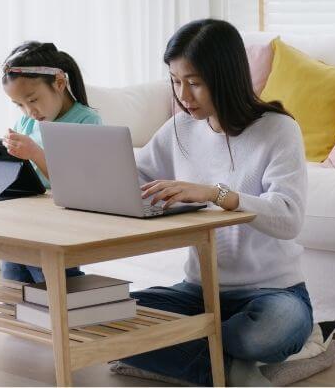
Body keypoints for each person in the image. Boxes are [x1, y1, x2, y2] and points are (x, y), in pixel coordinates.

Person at [122, 19, 313, 386]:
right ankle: (230, 370)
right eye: (176, 82)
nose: (183, 96)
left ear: (225, 76)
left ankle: (191, 348)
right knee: (111, 319)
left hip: (272, 293)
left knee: (265, 334)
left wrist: (215, 193)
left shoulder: (278, 130)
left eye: (194, 82)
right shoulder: (179, 129)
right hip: (198, 290)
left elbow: (289, 218)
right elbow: (134, 180)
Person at [0, 41, 101, 284]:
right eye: (20, 105)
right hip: (24, 220)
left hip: (60, 225)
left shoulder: (87, 122)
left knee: (58, 286)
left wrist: (34, 152)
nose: (29, 111)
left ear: (59, 83)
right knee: (14, 287)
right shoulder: (28, 123)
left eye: (33, 100)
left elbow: (77, 186)